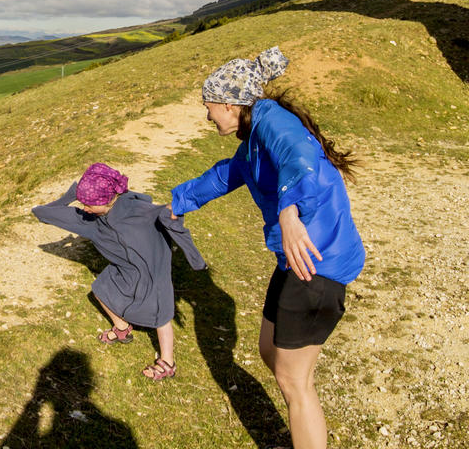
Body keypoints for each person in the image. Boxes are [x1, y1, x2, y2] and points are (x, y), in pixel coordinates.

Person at [164, 47, 367, 449]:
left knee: (294, 381)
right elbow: (225, 176)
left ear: (228, 103)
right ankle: (302, 417)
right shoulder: (254, 139)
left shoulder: (273, 120)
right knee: (269, 350)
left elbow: (301, 156)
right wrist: (178, 202)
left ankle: (304, 421)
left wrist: (289, 210)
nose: (207, 117)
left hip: (316, 263)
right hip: (294, 263)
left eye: (208, 108)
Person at [31, 162, 201, 380]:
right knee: (100, 289)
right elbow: (42, 213)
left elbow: (168, 214)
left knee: (161, 316)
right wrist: (73, 193)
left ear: (106, 200)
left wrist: (193, 256)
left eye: (88, 204)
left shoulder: (138, 211)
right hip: (124, 270)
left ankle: (167, 362)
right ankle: (122, 328)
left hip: (152, 273)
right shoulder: (90, 221)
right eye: (82, 203)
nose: (84, 208)